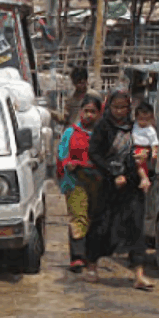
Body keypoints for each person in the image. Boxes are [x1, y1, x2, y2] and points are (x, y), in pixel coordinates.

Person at [86, 87, 155, 290]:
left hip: (132, 184)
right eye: (116, 107)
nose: (119, 111)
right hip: (108, 184)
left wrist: (146, 156)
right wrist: (112, 172)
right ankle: (92, 265)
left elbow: (147, 148)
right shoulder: (102, 127)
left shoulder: (136, 127)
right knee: (101, 225)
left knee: (136, 226)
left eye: (123, 107)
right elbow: (94, 154)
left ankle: (139, 274)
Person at [56, 95, 103, 273]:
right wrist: (68, 163)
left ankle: (91, 255)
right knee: (78, 217)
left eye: (93, 112)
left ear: (99, 114)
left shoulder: (102, 133)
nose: (89, 115)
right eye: (86, 111)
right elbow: (62, 154)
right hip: (75, 179)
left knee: (93, 218)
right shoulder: (70, 132)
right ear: (81, 112)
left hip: (97, 180)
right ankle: (77, 257)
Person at [132, 102, 159, 193]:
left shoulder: (150, 130)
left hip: (145, 148)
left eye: (146, 119)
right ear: (136, 117)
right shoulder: (134, 125)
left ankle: (144, 179)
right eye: (141, 119)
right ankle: (144, 179)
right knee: (137, 162)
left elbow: (154, 143)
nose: (143, 122)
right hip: (134, 147)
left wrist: (154, 153)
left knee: (140, 163)